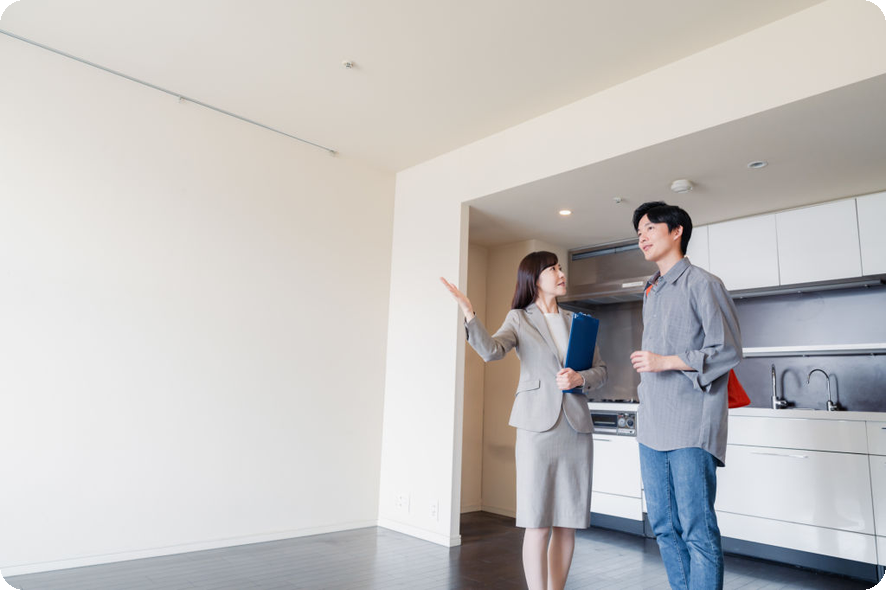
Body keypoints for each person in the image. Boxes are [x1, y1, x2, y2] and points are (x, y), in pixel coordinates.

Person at [441, 251, 607, 590]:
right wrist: (469, 312)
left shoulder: (579, 322)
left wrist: (580, 378)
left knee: (568, 523)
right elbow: (491, 351)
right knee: (538, 522)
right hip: (536, 428)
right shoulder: (519, 318)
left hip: (576, 429)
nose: (561, 273)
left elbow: (601, 371)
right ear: (535, 278)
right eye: (553, 269)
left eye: (561, 268)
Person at [629, 201, 742, 590]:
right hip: (652, 423)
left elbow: (728, 349)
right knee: (663, 526)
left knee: (697, 528)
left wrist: (666, 362)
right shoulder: (651, 290)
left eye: (650, 228)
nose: (642, 237)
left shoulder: (704, 283)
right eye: (638, 232)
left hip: (691, 423)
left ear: (676, 231)